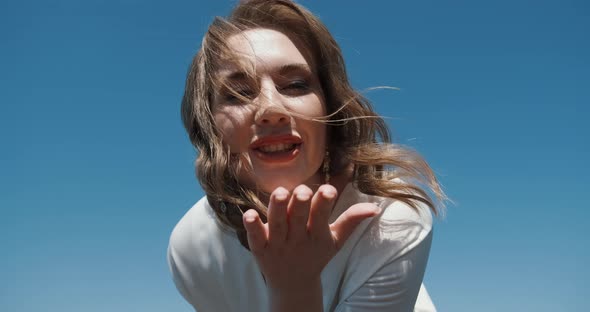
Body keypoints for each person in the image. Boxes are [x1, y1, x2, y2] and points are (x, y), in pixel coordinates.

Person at [167, 0, 446, 311]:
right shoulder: (192, 245)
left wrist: (296, 287)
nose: (271, 109)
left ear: (330, 109)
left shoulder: (389, 218)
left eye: (296, 85)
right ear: (208, 127)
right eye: (237, 93)